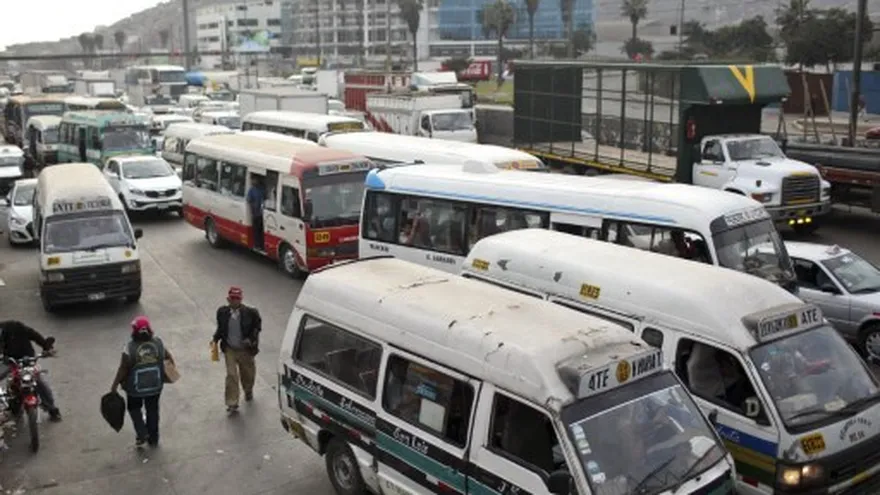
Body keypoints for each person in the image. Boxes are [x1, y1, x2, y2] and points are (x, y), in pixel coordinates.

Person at [110, 316, 171, 447]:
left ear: (134, 331)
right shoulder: (158, 343)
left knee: (134, 409)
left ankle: (142, 433)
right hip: (155, 386)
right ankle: (153, 438)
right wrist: (169, 375)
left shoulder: (129, 348)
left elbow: (123, 369)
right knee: (152, 410)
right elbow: (168, 358)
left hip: (135, 389)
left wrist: (114, 386)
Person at [213, 287, 261, 413]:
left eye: (237, 299)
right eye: (232, 298)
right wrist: (215, 339)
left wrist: (250, 340)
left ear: (241, 299)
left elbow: (257, 328)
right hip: (230, 349)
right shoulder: (222, 312)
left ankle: (248, 390)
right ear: (228, 299)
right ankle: (232, 402)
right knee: (231, 375)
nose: (235, 301)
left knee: (248, 375)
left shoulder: (251, 313)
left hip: (245, 350)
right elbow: (221, 328)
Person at [0, 320, 61, 421]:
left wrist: (46, 347)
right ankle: (8, 403)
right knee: (9, 379)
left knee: (39, 382)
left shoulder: (16, 327)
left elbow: (35, 335)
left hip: (27, 360)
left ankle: (52, 409)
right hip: (10, 362)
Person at [246, 175, 265, 251]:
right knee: (256, 230)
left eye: (254, 180)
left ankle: (261, 245)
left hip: (261, 213)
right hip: (255, 213)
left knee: (261, 230)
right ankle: (257, 245)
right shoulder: (252, 190)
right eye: (253, 180)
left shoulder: (261, 189)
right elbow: (249, 200)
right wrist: (254, 207)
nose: (253, 181)